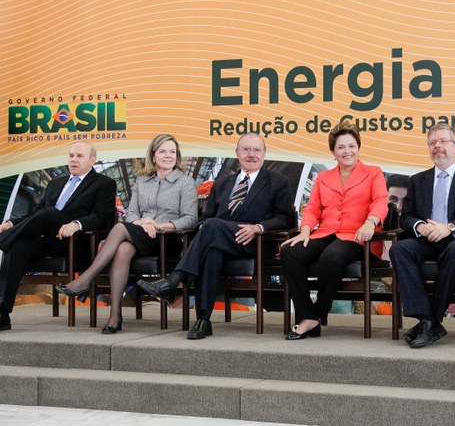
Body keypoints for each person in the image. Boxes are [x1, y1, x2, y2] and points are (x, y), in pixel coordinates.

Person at [138, 132, 294, 339]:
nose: (251, 154)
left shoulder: (277, 181)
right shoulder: (223, 183)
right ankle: (203, 320)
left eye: (257, 150)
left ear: (264, 154)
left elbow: (286, 218)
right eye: (246, 149)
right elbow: (205, 218)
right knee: (211, 246)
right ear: (237, 153)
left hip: (253, 241)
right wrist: (206, 227)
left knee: (211, 228)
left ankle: (175, 279)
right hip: (219, 239)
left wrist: (258, 228)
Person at [56, 134, 198, 333]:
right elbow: (131, 213)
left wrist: (157, 225)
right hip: (140, 234)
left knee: (120, 228)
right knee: (122, 248)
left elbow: (190, 219)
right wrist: (140, 222)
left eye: (172, 152)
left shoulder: (186, 182)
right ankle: (115, 316)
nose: (168, 156)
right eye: (163, 151)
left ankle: (86, 279)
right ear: (153, 155)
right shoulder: (142, 181)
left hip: (168, 239)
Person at [280, 121, 388, 340]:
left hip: (357, 236)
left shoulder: (373, 173)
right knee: (290, 251)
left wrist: (370, 222)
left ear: (358, 148)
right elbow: (312, 208)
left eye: (351, 146)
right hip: (326, 232)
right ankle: (307, 315)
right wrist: (305, 230)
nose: (347, 151)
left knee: (331, 257)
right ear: (333, 152)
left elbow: (381, 201)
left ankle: (316, 315)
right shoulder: (323, 177)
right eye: (341, 147)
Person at [390, 122, 455, 349]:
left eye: (443, 141)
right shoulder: (417, 180)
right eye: (432, 143)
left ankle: (430, 320)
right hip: (426, 239)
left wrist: (451, 227)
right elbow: (405, 217)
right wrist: (419, 226)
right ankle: (428, 319)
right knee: (400, 249)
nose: (438, 147)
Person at [0, 142, 116, 331]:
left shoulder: (104, 184)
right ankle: (2, 313)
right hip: (48, 240)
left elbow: (102, 218)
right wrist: (11, 223)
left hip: (76, 242)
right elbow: (35, 214)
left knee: (50, 213)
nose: (73, 160)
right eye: (71, 156)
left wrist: (76, 224)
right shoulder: (56, 183)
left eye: (79, 156)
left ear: (92, 160)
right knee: (18, 246)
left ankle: (3, 241)